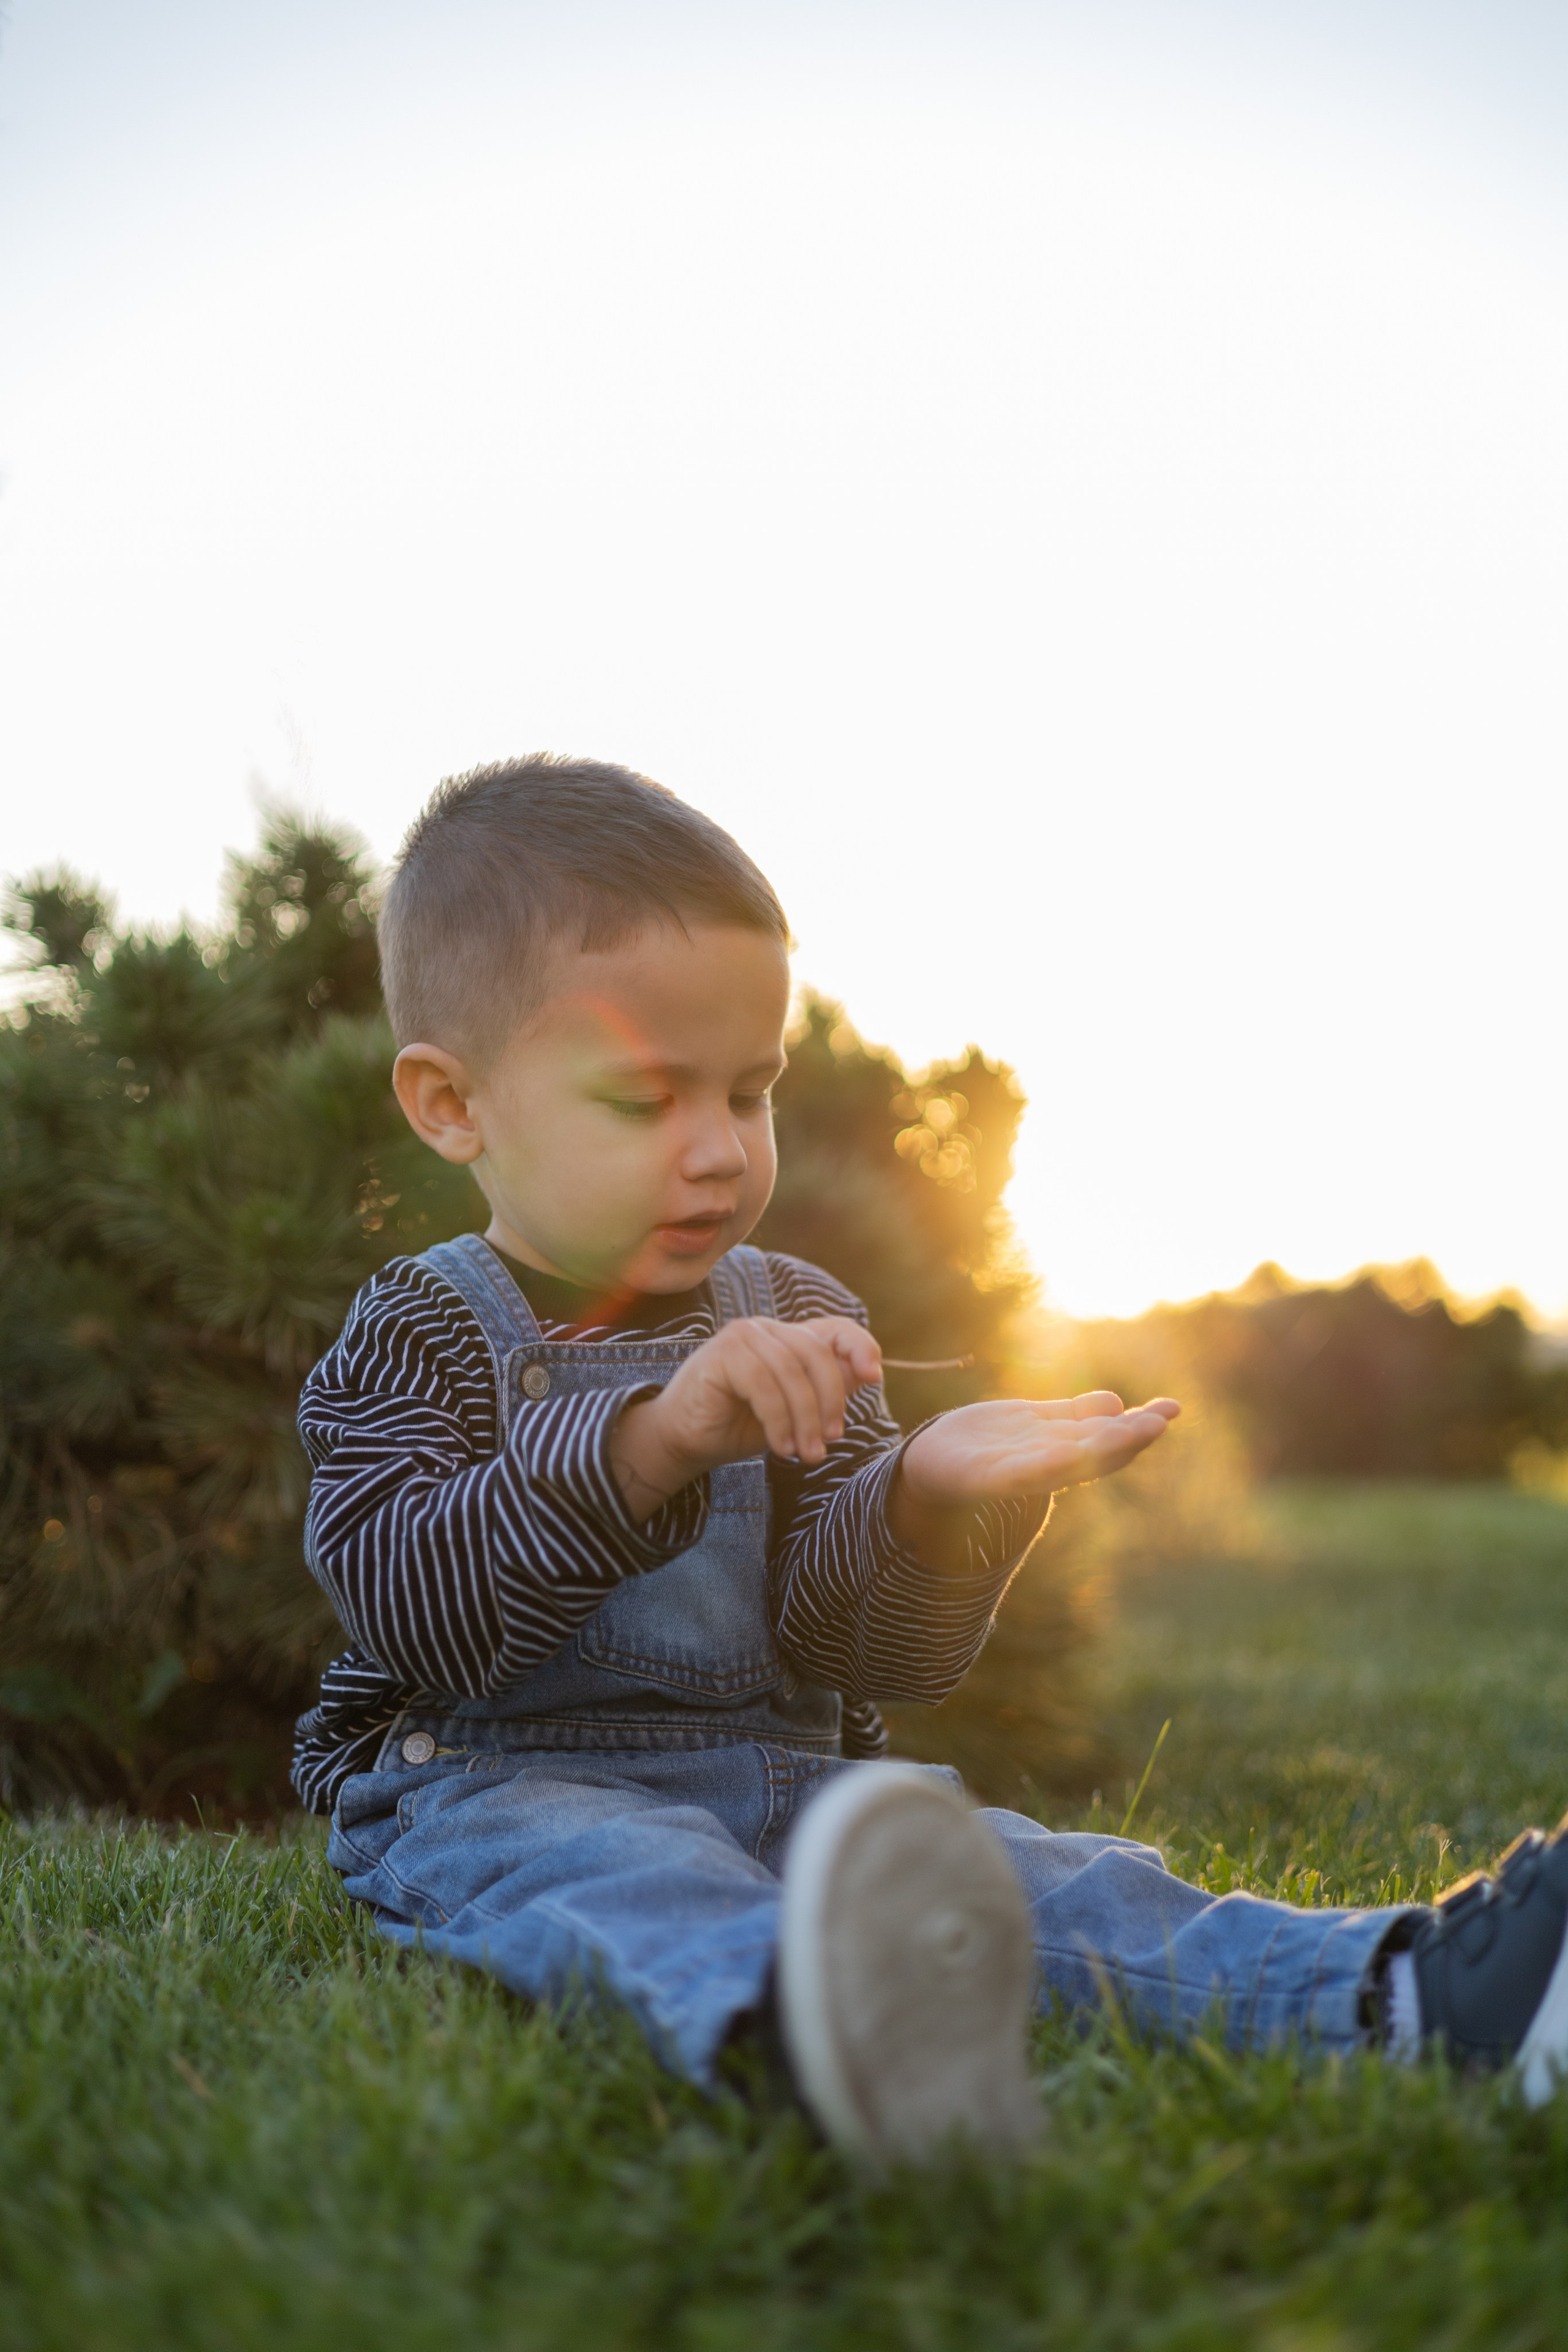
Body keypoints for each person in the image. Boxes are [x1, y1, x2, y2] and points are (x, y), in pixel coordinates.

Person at [293, 754, 1568, 2163]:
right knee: (623, 1871)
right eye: (647, 1102)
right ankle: (804, 2029)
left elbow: (864, 1656)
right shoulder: (418, 1331)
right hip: (497, 1783)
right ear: (451, 1105)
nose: (718, 1152)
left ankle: (1410, 1993)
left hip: (790, 1793)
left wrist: (919, 1503)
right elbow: (419, 1612)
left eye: (750, 1090)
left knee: (1039, 1882)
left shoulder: (799, 1314)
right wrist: (651, 1440)